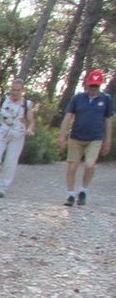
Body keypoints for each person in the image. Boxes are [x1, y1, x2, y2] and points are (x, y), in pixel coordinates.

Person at [58, 69, 113, 206]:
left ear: (100, 85)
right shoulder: (77, 98)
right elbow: (68, 116)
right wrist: (62, 136)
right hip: (76, 137)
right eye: (91, 85)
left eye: (96, 85)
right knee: (72, 167)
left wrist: (108, 141)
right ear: (87, 84)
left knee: (90, 164)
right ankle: (70, 195)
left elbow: (108, 121)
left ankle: (83, 191)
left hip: (95, 138)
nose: (93, 88)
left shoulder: (106, 100)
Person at [0, 78, 35, 198]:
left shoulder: (26, 104)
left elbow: (31, 121)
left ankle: (2, 187)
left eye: (17, 90)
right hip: (1, 131)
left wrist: (30, 129)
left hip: (17, 135)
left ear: (22, 91)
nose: (14, 92)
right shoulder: (2, 101)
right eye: (13, 89)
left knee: (10, 162)